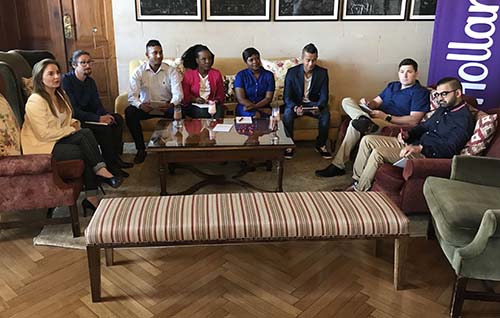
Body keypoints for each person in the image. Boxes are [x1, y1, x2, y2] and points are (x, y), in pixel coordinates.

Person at [21, 59, 123, 215]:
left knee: (85, 134)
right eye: (51, 74)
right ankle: (96, 185)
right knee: (85, 150)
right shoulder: (35, 101)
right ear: (39, 77)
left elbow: (67, 119)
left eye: (58, 73)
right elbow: (44, 134)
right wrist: (70, 129)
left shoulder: (60, 96)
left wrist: (74, 125)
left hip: (57, 139)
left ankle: (95, 187)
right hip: (42, 146)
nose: (56, 77)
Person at [348, 77, 474, 192]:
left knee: (378, 153)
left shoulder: (465, 119)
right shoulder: (443, 109)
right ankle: (356, 181)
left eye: (444, 94)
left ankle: (359, 191)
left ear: (457, 93)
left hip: (426, 155)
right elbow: (424, 126)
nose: (440, 98)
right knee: (367, 140)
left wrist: (420, 148)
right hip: (414, 144)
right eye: (438, 94)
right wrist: (408, 134)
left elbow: (450, 149)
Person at [315, 58, 430, 177]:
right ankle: (363, 118)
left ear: (416, 73)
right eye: (402, 72)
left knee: (354, 125)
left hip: (391, 122)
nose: (404, 75)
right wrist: (368, 104)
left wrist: (387, 117)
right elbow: (376, 102)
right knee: (347, 101)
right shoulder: (393, 86)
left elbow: (414, 120)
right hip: (374, 116)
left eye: (409, 72)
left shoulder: (420, 92)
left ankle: (338, 165)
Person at [62, 50, 133, 178]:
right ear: (74, 65)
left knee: (116, 119)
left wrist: (106, 115)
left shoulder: (90, 82)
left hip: (91, 116)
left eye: (89, 62)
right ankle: (110, 166)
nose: (87, 65)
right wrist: (98, 118)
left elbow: (97, 104)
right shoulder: (66, 81)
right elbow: (73, 110)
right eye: (83, 63)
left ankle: (116, 158)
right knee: (103, 128)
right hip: (77, 119)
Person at [125, 39, 183, 164]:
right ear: (147, 55)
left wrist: (171, 104)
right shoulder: (138, 72)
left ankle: (174, 150)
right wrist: (140, 105)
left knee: (178, 111)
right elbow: (132, 96)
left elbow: (178, 94)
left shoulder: (171, 71)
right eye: (155, 53)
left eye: (161, 52)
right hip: (147, 108)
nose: (159, 56)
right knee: (129, 112)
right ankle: (141, 149)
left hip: (166, 106)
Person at [283, 43, 331, 160]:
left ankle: (320, 145)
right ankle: (289, 145)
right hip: (296, 104)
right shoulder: (292, 72)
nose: (311, 64)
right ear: (302, 58)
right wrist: (295, 108)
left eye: (314, 60)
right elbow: (287, 97)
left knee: (325, 115)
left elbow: (324, 96)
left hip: (313, 104)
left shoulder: (322, 73)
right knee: (287, 115)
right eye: (308, 60)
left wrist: (318, 107)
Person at [181, 44, 225, 119]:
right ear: (197, 60)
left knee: (219, 110)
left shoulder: (216, 74)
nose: (208, 61)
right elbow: (185, 95)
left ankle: (216, 130)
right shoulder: (189, 74)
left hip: (211, 105)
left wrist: (215, 101)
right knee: (202, 112)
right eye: (203, 59)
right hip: (194, 105)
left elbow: (220, 95)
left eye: (210, 58)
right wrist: (195, 99)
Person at [234, 47, 275, 119]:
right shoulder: (241, 75)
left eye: (257, 58)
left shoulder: (269, 75)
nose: (255, 62)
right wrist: (258, 109)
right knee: (256, 115)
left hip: (264, 106)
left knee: (262, 116)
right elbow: (241, 99)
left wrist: (255, 107)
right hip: (245, 107)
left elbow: (268, 98)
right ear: (245, 62)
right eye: (251, 60)